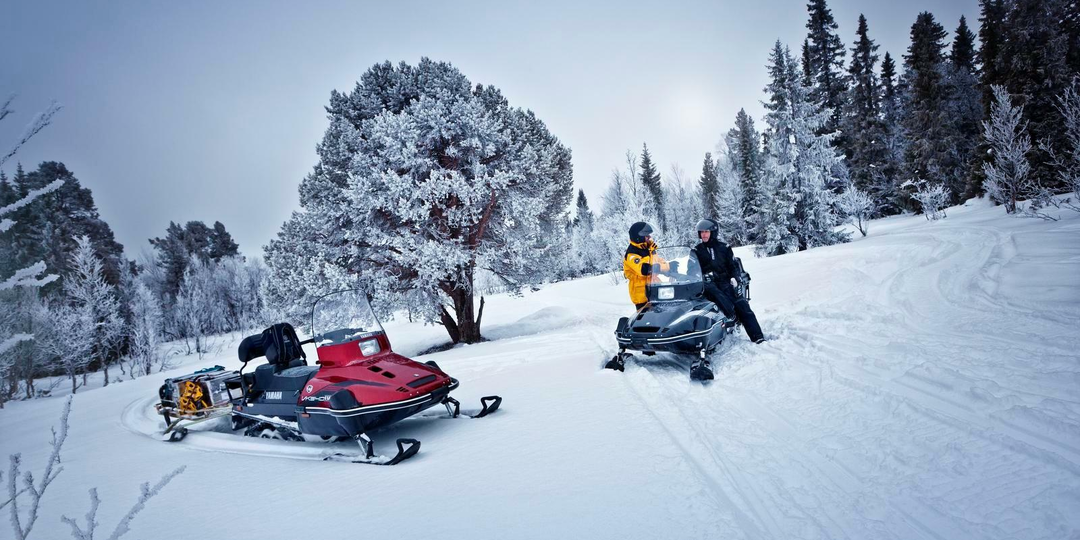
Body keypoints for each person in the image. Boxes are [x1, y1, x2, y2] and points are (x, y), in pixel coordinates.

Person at [693, 219, 766, 344]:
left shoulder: (724, 248)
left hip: (725, 282)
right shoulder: (696, 250)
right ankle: (730, 314)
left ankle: (757, 336)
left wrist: (735, 278)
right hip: (708, 285)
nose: (704, 234)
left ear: (713, 232)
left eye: (706, 232)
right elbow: (691, 267)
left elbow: (733, 266)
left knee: (742, 305)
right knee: (710, 291)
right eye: (701, 232)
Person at [622, 221, 676, 311]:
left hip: (655, 291)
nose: (649, 237)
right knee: (647, 322)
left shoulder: (648, 248)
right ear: (639, 237)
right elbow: (644, 269)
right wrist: (666, 267)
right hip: (642, 297)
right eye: (647, 236)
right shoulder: (631, 255)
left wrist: (670, 269)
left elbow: (658, 262)